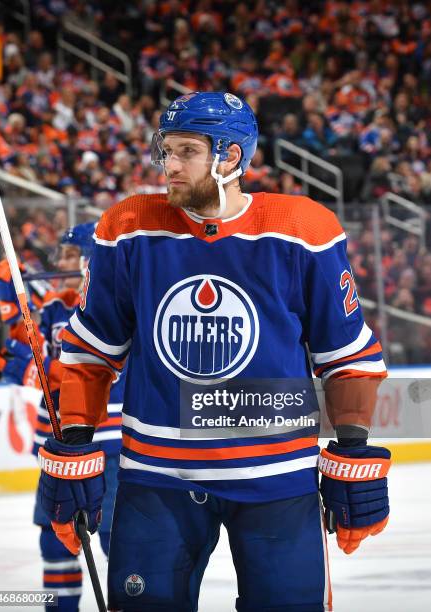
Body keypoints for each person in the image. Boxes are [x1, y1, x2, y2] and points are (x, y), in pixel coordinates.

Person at [38, 92, 390, 612]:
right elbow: (91, 352)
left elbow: (347, 356)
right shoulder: (128, 227)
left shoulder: (302, 230)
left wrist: (354, 451)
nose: (169, 165)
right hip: (157, 481)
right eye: (166, 151)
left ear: (230, 157)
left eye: (186, 151)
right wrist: (75, 444)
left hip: (278, 480)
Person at [0, 224, 124, 612]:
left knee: (116, 541)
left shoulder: (114, 307)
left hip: (106, 446)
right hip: (58, 449)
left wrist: (46, 369)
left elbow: (86, 369)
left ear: (90, 260)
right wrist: (7, 295)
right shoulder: (52, 308)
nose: (61, 263)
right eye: (61, 256)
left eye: (69, 256)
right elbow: (22, 353)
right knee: (54, 540)